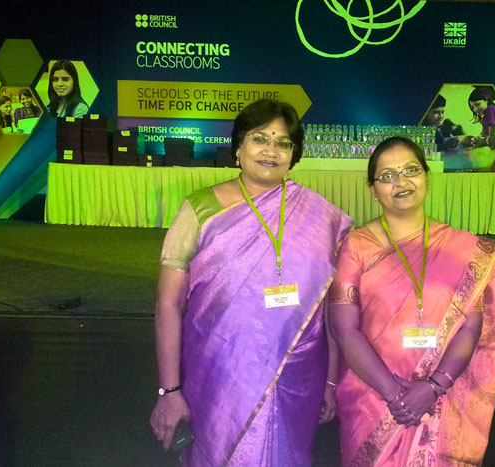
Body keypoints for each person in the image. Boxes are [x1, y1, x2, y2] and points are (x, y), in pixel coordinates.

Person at [149, 99, 352, 466]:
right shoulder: (201, 210)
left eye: (283, 142)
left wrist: (332, 380)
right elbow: (168, 304)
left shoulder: (322, 217)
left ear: (294, 154)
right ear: (238, 148)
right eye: (260, 138)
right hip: (218, 377)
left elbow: (331, 308)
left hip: (298, 377)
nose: (271, 151)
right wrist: (169, 390)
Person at [329, 137, 495, 466]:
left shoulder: (460, 247)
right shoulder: (356, 245)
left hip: (442, 393)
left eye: (411, 170)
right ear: (372, 189)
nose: (401, 181)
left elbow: (471, 325)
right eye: (387, 175)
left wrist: (433, 386)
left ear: (427, 177)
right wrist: (395, 394)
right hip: (372, 396)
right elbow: (345, 331)